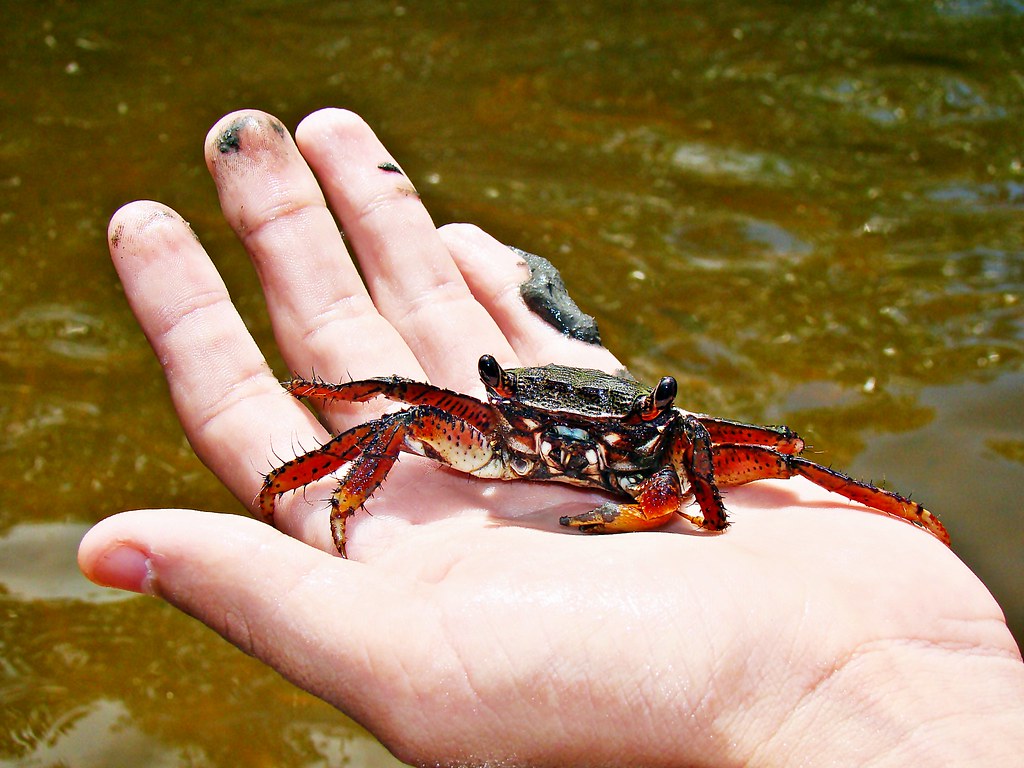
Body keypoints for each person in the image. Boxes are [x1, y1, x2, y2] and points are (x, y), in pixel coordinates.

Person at [79, 108, 1024, 767]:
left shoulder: (664, 435)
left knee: (782, 454)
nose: (568, 449)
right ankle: (339, 488)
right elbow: (396, 397)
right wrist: (335, 439)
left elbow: (759, 446)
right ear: (496, 394)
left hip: (644, 459)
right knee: (401, 414)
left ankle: (903, 509)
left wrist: (696, 505)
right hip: (516, 438)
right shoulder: (492, 423)